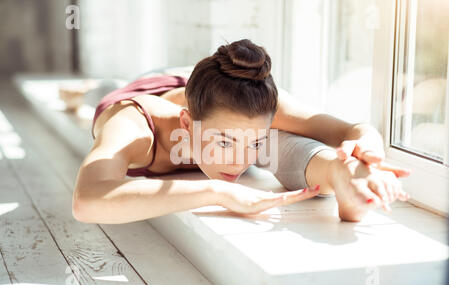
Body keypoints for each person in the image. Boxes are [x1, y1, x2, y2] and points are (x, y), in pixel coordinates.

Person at [72, 39, 411, 224]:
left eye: (254, 143)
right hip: (150, 85)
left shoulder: (259, 110)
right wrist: (217, 192)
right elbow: (87, 202)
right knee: (92, 91)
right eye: (224, 142)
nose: (240, 160)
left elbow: (352, 129)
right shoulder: (132, 125)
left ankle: (346, 180)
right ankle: (74, 90)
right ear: (187, 124)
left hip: (211, 90)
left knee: (279, 141)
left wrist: (369, 146)